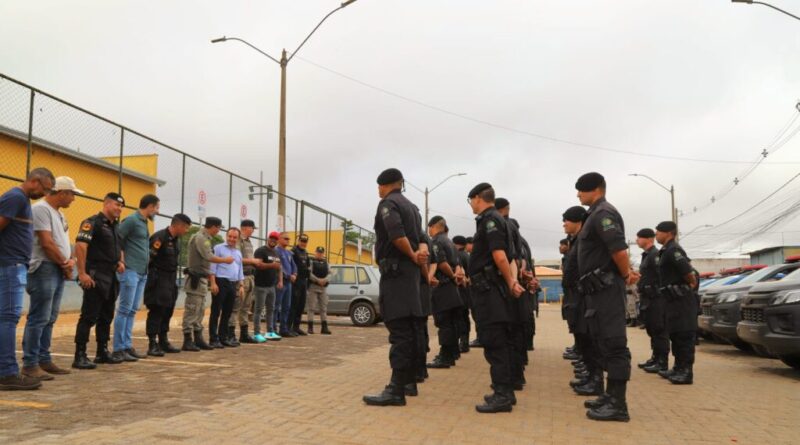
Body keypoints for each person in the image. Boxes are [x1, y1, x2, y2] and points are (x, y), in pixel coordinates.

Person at [574, 172, 638, 422]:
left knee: (614, 344)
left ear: (595, 190)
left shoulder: (603, 214)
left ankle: (618, 404)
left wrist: (625, 275)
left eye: (581, 189)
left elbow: (618, 249)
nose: (578, 194)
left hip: (607, 289)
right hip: (597, 290)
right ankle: (610, 396)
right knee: (603, 342)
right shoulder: (594, 214)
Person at [363, 168, 427, 407]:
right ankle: (409, 382)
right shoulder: (413, 207)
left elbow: (396, 235)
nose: (378, 191)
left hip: (396, 274)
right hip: (409, 278)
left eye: (379, 186)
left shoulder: (388, 204)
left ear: (384, 185)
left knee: (399, 331)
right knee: (411, 330)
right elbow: (423, 240)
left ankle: (396, 390)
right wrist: (419, 256)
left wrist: (411, 255)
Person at [466, 183, 525, 413]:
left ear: (478, 198)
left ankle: (503, 395)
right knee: (500, 341)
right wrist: (512, 281)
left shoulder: (490, 220)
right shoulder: (499, 220)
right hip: (493, 289)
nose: (471, 204)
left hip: (490, 291)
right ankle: (505, 392)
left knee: (495, 342)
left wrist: (511, 281)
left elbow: (500, 256)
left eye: (471, 199)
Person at [0, 167, 54, 390]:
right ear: (35, 181)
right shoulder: (15, 197)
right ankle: (7, 373)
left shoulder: (21, 200)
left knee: (7, 317)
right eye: (45, 189)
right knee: (8, 318)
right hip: (10, 265)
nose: (45, 193)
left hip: (14, 264)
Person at [22, 176, 80, 381]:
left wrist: (69, 260)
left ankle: (43, 358)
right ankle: (30, 363)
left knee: (50, 317)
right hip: (44, 268)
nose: (73, 198)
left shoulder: (58, 214)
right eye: (72, 194)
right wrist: (65, 263)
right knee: (39, 317)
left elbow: (62, 241)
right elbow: (46, 243)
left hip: (56, 267)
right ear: (62, 192)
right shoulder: (41, 209)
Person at [72, 192, 127, 369]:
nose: (119, 209)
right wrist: (82, 273)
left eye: (121, 206)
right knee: (88, 316)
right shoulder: (92, 222)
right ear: (106, 204)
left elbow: (117, 248)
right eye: (116, 205)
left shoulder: (114, 227)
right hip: (95, 275)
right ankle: (79, 355)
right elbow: (81, 246)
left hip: (111, 277)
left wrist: (120, 262)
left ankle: (102, 352)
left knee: (106, 316)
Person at [112, 194, 159, 362]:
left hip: (141, 272)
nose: (157, 211)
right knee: (124, 309)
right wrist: (121, 260)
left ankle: (126, 345)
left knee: (132, 310)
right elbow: (117, 240)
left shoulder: (144, 222)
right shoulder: (131, 220)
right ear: (150, 206)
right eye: (156, 207)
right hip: (130, 270)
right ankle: (118, 348)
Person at [180, 217, 233, 352]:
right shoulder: (201, 238)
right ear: (214, 227)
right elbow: (209, 256)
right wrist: (224, 260)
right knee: (192, 309)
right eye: (219, 228)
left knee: (200, 310)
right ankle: (188, 340)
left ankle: (198, 338)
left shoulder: (205, 238)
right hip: (195, 279)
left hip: (202, 279)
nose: (218, 231)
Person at [655, 221, 698, 385]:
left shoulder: (674, 250)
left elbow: (687, 271)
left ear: (668, 233)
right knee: (675, 334)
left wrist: (690, 284)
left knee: (684, 335)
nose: (656, 234)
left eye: (658, 232)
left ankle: (686, 372)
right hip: (671, 300)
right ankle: (678, 367)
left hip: (681, 299)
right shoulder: (665, 251)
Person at [144, 213, 191, 357]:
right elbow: (149, 258)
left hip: (170, 279)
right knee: (157, 310)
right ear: (178, 225)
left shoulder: (176, 240)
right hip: (158, 278)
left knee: (168, 310)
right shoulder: (160, 237)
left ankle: (163, 341)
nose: (186, 231)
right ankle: (152, 343)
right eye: (186, 228)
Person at [494, 198, 528, 391]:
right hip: (514, 287)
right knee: (514, 334)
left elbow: (508, 258)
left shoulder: (503, 227)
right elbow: (518, 260)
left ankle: (511, 381)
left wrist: (510, 281)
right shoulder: (512, 230)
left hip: (506, 289)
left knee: (507, 335)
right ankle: (515, 377)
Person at [426, 216, 463, 369]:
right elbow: (459, 264)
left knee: (444, 323)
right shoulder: (450, 242)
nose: (428, 231)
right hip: (452, 288)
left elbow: (441, 263)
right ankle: (452, 353)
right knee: (452, 323)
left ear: (434, 226)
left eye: (429, 227)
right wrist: (456, 276)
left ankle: (445, 357)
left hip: (443, 286)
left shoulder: (436, 242)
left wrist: (451, 275)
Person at [635, 228, 668, 373]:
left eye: (639, 238)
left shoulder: (655, 255)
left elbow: (661, 275)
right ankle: (655, 357)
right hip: (647, 298)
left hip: (656, 298)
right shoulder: (646, 255)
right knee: (652, 329)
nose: (637, 240)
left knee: (659, 330)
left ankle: (662, 361)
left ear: (649, 239)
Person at [209, 228, 244, 348]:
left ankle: (223, 337)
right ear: (226, 236)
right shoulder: (218, 248)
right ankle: (213, 339)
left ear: (238, 238)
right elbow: (212, 266)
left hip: (233, 284)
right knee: (216, 311)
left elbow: (240, 270)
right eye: (230, 236)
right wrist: (213, 283)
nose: (232, 239)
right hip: (220, 281)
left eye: (235, 237)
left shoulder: (238, 252)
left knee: (227, 312)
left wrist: (241, 285)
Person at [229, 219, 260, 345]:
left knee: (246, 307)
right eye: (252, 228)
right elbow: (236, 259)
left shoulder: (248, 241)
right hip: (240, 277)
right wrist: (253, 261)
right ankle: (230, 333)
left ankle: (244, 333)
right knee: (236, 307)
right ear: (247, 228)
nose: (253, 231)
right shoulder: (238, 240)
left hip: (250, 277)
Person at [254, 232, 283, 341]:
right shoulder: (260, 251)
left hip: (272, 286)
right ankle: (256, 333)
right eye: (272, 238)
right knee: (258, 310)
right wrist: (272, 265)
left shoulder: (276, 253)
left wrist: (280, 280)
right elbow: (258, 264)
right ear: (268, 238)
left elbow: (279, 267)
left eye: (275, 239)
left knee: (271, 309)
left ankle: (270, 332)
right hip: (260, 285)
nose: (273, 240)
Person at [275, 232, 297, 337]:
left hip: (289, 284)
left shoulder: (289, 253)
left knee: (286, 306)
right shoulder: (276, 251)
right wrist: (288, 276)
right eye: (285, 238)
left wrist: (294, 274)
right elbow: (279, 266)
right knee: (276, 306)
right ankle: (273, 328)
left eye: (289, 239)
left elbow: (294, 266)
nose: (288, 240)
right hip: (281, 281)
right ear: (279, 239)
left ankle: (283, 329)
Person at [453, 236, 472, 354]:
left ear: (456, 244)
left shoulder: (458, 256)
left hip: (460, 291)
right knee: (465, 318)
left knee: (459, 319)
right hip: (467, 292)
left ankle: (462, 344)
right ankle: (465, 343)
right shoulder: (468, 256)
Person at [307, 246, 332, 335]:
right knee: (311, 308)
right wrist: (318, 280)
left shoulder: (326, 263)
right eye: (318, 252)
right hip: (313, 287)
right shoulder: (311, 262)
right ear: (315, 252)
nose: (320, 254)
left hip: (323, 288)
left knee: (323, 308)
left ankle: (324, 327)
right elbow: (309, 273)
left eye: (321, 253)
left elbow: (330, 273)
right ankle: (310, 328)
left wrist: (325, 280)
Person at [290, 234, 311, 336]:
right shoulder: (293, 251)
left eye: (305, 242)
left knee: (301, 305)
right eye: (302, 241)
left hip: (303, 281)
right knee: (294, 305)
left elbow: (307, 267)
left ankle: (296, 327)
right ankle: (289, 327)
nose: (303, 243)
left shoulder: (306, 253)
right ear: (298, 241)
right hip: (295, 281)